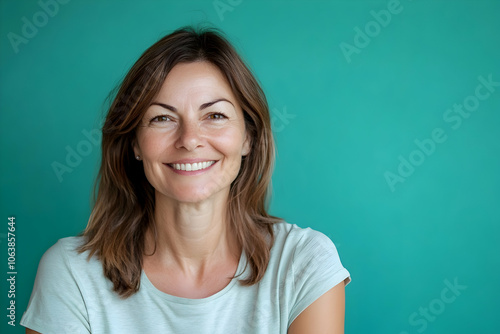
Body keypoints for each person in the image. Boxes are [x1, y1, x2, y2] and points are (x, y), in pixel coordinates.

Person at [21, 26, 351, 334]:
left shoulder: (305, 264)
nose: (189, 140)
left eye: (215, 115)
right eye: (162, 118)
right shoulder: (70, 274)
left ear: (248, 138)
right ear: (135, 143)